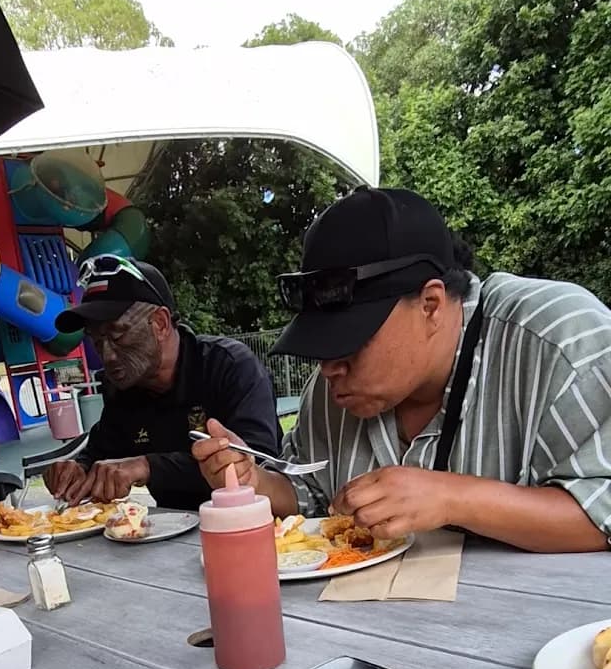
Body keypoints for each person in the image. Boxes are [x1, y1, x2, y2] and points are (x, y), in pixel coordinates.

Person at [193, 186, 611, 553]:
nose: (328, 368)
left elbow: (601, 509)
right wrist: (254, 483)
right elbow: (314, 500)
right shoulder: (333, 387)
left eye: (349, 340)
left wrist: (453, 497)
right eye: (320, 345)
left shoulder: (559, 341)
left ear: (430, 305)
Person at [45, 258, 280, 511]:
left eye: (117, 334)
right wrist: (77, 469)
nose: (108, 355)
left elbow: (257, 459)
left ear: (160, 323)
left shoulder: (229, 366)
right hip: (171, 534)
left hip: (254, 526)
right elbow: (100, 452)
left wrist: (146, 465)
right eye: (96, 339)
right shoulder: (124, 389)